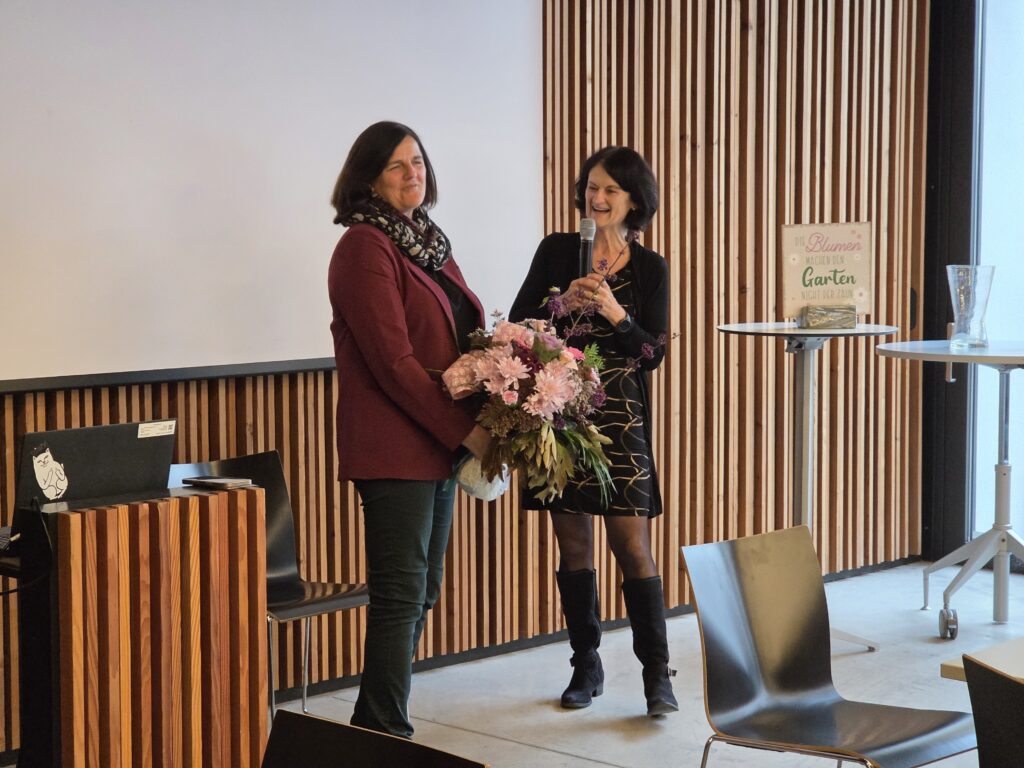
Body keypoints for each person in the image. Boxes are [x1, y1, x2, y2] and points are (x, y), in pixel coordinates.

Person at [328, 121, 491, 738]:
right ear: (369, 178)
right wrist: (467, 434)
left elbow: (456, 336)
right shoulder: (364, 247)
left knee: (422, 592)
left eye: (418, 161)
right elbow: (394, 364)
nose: (412, 173)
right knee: (400, 595)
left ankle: (374, 724)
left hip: (436, 443)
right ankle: (385, 731)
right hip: (394, 446)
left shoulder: (428, 243)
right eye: (396, 165)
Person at [509, 146, 677, 716]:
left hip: (621, 417)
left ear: (634, 200)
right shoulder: (558, 251)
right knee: (574, 543)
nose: (596, 198)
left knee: (631, 544)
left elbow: (652, 353)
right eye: (591, 187)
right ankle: (586, 663)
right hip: (560, 411)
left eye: (610, 190)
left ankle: (657, 674)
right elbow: (520, 325)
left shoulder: (650, 267)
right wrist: (559, 306)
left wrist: (615, 313)